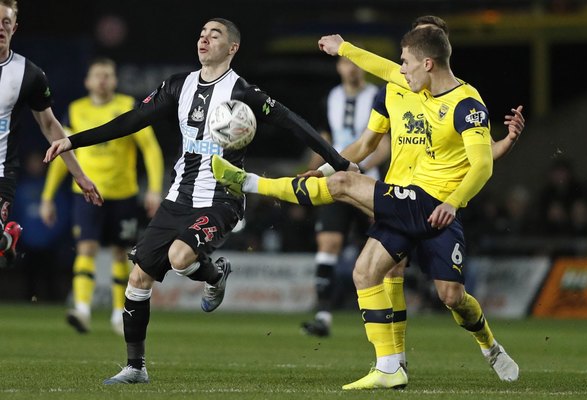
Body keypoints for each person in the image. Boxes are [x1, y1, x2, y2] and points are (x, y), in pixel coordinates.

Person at [43, 18, 356, 385]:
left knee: (179, 257)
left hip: (222, 198)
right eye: (202, 33)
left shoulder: (244, 93)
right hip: (177, 198)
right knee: (138, 277)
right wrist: (73, 140)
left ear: (233, 48)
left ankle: (211, 274)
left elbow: (294, 123)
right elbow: (132, 120)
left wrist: (339, 162)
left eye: (215, 34)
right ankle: (136, 367)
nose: (204, 38)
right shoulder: (179, 85)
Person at [212, 24, 521, 389]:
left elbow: (481, 162)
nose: (399, 68)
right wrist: (343, 48)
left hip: (435, 205)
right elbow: (367, 133)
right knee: (368, 272)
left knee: (451, 296)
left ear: (428, 61)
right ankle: (391, 366)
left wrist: (457, 198)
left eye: (405, 61)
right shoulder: (402, 85)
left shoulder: (466, 105)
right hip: (399, 197)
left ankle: (490, 346)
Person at [39, 58, 164, 335]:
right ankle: (82, 309)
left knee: (121, 254)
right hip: (84, 194)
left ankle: (119, 315)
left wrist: (154, 189)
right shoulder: (76, 110)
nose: (103, 80)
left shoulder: (128, 106)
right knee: (86, 248)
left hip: (123, 194)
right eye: (98, 75)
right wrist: (47, 196)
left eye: (108, 75)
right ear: (87, 81)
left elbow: (151, 149)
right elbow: (63, 154)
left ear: (115, 80)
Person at [0, 0, 102, 268]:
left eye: (6, 22)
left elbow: (50, 126)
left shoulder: (28, 74)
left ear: (14, 28)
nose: (0, 28)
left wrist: (79, 174)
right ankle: (6, 240)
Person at [302, 55, 389, 337]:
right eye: (345, 63)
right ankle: (323, 315)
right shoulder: (331, 98)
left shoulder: (379, 96)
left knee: (389, 250)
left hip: (368, 182)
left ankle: (393, 314)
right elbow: (324, 141)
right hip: (335, 182)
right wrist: (310, 171)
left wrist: (358, 168)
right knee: (328, 242)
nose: (351, 68)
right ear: (339, 67)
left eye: (355, 62)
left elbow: (385, 145)